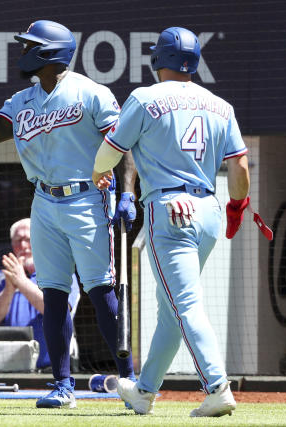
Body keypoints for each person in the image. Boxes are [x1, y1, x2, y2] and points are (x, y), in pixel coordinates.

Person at [0, 20, 137, 409]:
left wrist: (127, 195)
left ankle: (130, 380)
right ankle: (63, 385)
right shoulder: (23, 100)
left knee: (100, 290)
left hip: (87, 197)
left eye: (29, 45)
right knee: (54, 294)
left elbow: (123, 145)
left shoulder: (90, 92)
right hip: (43, 201)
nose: (22, 51)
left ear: (50, 52)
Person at [93, 27, 251, 417]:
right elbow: (240, 167)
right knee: (171, 309)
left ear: (158, 59)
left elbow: (110, 151)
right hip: (209, 210)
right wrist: (235, 207)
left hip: (171, 209)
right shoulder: (221, 105)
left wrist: (100, 172)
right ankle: (144, 391)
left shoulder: (144, 97)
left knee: (185, 305)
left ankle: (217, 386)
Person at [0, 218, 80, 369]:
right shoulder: (3, 278)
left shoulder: (61, 271)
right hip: (9, 369)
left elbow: (59, 311)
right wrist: (9, 290)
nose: (23, 246)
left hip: (53, 371)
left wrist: (22, 282)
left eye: (29, 238)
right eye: (18, 240)